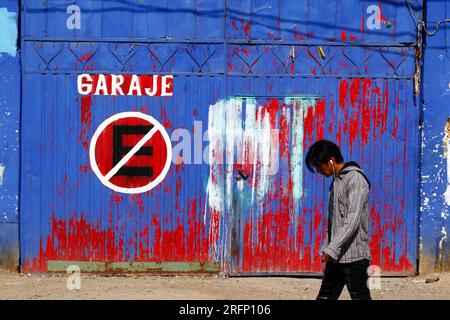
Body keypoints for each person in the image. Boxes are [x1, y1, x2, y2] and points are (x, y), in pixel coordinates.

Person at [305, 140, 372, 300]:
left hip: (355, 259)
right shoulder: (336, 181)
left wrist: (332, 247)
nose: (319, 171)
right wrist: (327, 246)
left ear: (331, 161)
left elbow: (352, 220)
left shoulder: (355, 179)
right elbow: (335, 221)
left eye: (319, 166)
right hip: (336, 258)